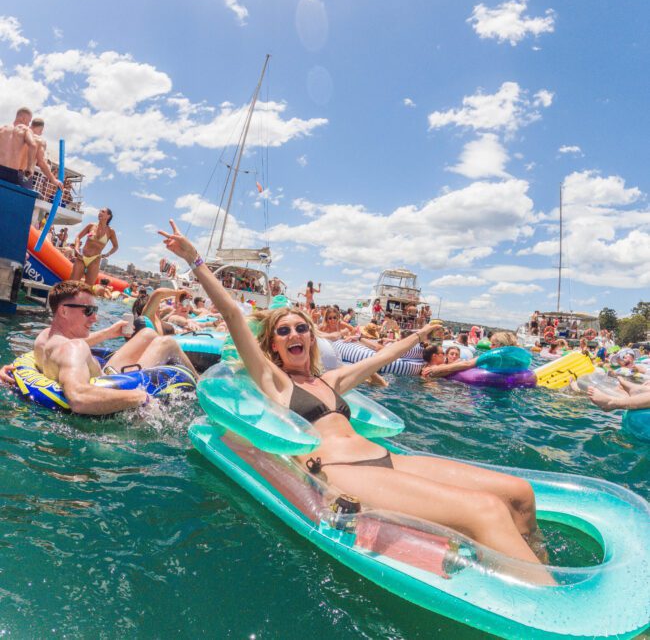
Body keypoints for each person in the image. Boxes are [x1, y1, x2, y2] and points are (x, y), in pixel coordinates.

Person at [158, 219, 551, 576]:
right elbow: (231, 315)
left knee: (518, 494)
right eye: (284, 332)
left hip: (386, 459)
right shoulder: (273, 380)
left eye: (301, 328)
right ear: (273, 346)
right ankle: (550, 607)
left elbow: (382, 357)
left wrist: (421, 335)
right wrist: (195, 259)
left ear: (311, 337)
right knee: (486, 511)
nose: (295, 334)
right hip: (339, 472)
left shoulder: (331, 380)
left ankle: (535, 573)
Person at [0, 281, 196, 415]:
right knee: (167, 342)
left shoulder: (44, 337)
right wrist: (139, 397)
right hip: (110, 380)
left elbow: (66, 348)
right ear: (64, 311)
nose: (95, 318)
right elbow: (78, 398)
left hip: (102, 372)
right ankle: (201, 385)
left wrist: (109, 333)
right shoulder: (72, 349)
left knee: (147, 334)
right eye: (89, 311)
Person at [71, 208, 118, 285]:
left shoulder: (111, 231)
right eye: (99, 211)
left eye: (103, 212)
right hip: (82, 256)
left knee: (88, 287)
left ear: (108, 216)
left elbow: (115, 246)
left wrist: (108, 254)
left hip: (95, 259)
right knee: (72, 283)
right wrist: (76, 248)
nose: (100, 213)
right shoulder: (91, 225)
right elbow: (78, 237)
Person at [19, 117, 64, 192]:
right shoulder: (39, 141)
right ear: (41, 129)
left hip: (9, 171)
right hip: (25, 176)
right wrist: (54, 180)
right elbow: (41, 162)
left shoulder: (18, 134)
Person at [0, 107, 36, 186]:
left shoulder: (2, 129)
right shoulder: (25, 129)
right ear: (24, 118)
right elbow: (33, 145)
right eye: (29, 121)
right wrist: (29, 167)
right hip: (11, 172)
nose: (28, 124)